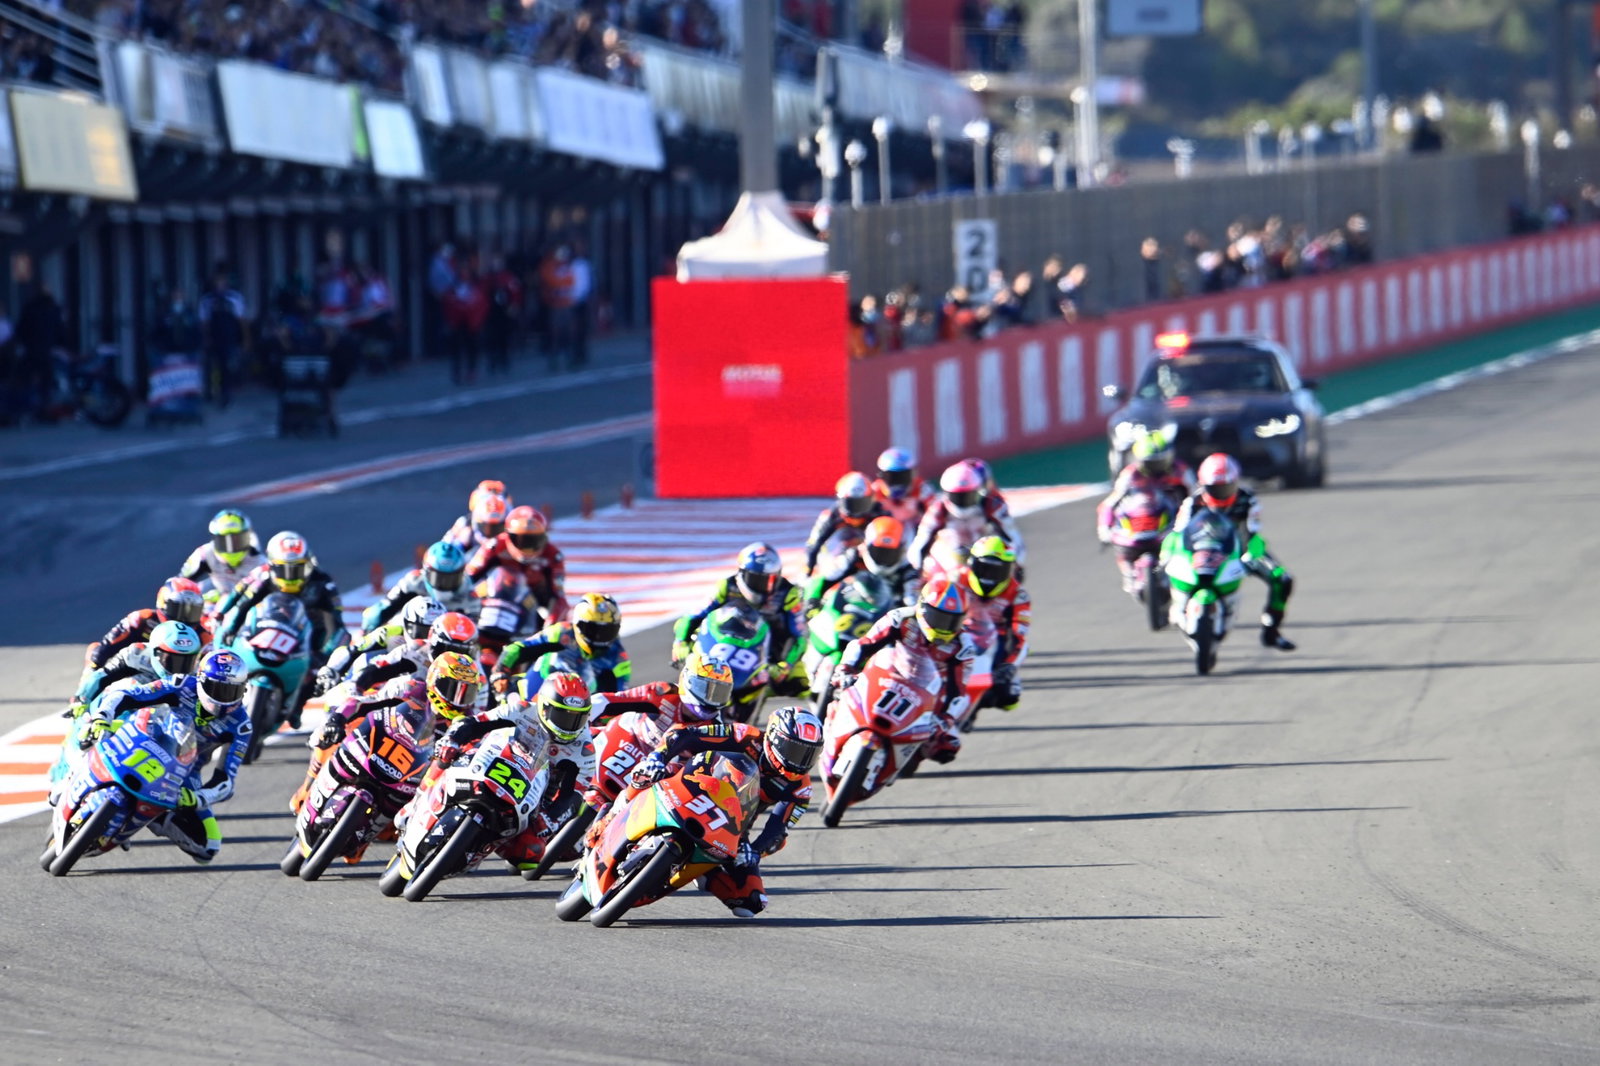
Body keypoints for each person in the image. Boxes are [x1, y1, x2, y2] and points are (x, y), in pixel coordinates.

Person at [627, 705, 824, 916]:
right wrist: (658, 757)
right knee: (647, 775)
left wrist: (755, 852)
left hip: (731, 827)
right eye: (796, 751)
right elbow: (684, 734)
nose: (800, 761)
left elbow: (778, 830)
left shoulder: (801, 788)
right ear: (776, 738)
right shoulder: (745, 736)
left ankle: (699, 872)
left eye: (808, 755)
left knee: (751, 902)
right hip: (689, 787)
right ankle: (611, 815)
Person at [77, 648, 251, 864]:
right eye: (217, 688)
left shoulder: (241, 726)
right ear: (201, 681)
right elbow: (129, 696)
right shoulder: (181, 685)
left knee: (208, 846)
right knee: (88, 732)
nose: (223, 698)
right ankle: (72, 773)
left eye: (231, 691)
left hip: (184, 772)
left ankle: (152, 815)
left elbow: (226, 780)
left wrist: (197, 799)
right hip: (146, 737)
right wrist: (103, 716)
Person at [431, 671, 596, 872]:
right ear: (544, 708)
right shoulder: (522, 709)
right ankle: (425, 795)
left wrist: (549, 822)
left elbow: (574, 799)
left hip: (534, 795)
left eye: (577, 719)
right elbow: (477, 722)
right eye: (562, 716)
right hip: (496, 762)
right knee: (451, 754)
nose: (569, 726)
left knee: (530, 852)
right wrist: (453, 740)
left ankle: (484, 845)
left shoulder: (584, 749)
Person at [833, 577, 978, 765]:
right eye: (939, 618)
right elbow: (865, 644)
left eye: (952, 622)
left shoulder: (962, 648)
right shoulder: (900, 618)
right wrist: (845, 668)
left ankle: (907, 756)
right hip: (889, 676)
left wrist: (944, 720)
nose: (944, 627)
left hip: (929, 695)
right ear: (923, 608)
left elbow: (957, 691)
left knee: (947, 747)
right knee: (840, 692)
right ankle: (831, 731)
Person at [215, 531, 348, 723]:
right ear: (272, 566)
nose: (290, 576)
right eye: (283, 570)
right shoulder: (262, 575)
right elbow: (241, 602)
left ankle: (297, 705)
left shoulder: (323, 583)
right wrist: (229, 628)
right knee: (226, 647)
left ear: (309, 564)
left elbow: (338, 623)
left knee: (318, 670)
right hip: (264, 626)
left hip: (306, 632)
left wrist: (328, 654)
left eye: (297, 569)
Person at [1174, 453, 1297, 651]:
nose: (1221, 493)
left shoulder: (1248, 500)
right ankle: (1174, 609)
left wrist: (1252, 555)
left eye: (1226, 487)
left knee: (1283, 580)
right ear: (1203, 485)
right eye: (1215, 488)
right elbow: (1178, 534)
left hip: (1241, 551)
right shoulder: (1192, 503)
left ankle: (1271, 631)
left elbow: (1254, 534)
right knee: (1164, 568)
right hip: (1202, 552)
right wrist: (1170, 556)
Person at [672, 543, 806, 695]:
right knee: (681, 630)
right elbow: (693, 616)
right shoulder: (726, 586)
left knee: (801, 684)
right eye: (758, 580)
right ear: (742, 573)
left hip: (770, 651)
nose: (766, 587)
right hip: (725, 642)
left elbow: (799, 636)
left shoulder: (789, 594)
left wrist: (785, 666)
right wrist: (680, 642)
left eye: (772, 580)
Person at [292, 675, 430, 814]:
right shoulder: (413, 688)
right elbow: (362, 701)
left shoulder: (451, 721)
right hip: (376, 736)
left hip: (410, 764)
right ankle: (307, 787)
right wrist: (337, 720)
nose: (450, 699)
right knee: (324, 735)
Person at [491, 593, 630, 696]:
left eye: (607, 630)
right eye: (593, 629)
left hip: (576, 711)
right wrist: (501, 671)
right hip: (536, 690)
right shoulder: (561, 632)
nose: (599, 637)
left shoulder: (619, 658)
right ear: (577, 624)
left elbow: (617, 698)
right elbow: (517, 649)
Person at [332, 611, 480, 698]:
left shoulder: (477, 674)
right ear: (432, 639)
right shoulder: (413, 650)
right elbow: (375, 669)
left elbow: (480, 714)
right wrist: (355, 689)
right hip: (406, 715)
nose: (452, 657)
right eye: (445, 648)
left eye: (461, 652)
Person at [909, 460, 1024, 572]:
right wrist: (917, 570)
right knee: (931, 569)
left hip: (986, 559)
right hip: (948, 560)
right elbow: (921, 541)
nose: (962, 501)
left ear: (978, 491)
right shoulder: (938, 509)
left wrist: (1016, 566)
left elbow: (1015, 539)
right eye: (957, 496)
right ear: (946, 494)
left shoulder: (993, 505)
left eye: (967, 496)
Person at [961, 536, 1030, 716]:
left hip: (994, 642)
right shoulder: (955, 580)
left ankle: (982, 696)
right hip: (957, 633)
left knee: (1009, 698)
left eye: (996, 572)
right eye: (984, 569)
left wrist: (1009, 666)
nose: (989, 577)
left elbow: (1020, 636)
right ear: (972, 564)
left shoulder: (1018, 595)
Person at [81, 578, 208, 675]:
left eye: (192, 612)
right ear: (163, 604)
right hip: (130, 673)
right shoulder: (141, 619)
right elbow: (104, 647)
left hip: (173, 683)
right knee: (94, 657)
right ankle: (84, 696)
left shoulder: (204, 635)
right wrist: (93, 669)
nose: (184, 619)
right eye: (179, 610)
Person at [317, 596, 443, 694]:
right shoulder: (389, 632)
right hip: (384, 687)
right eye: (422, 631)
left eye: (433, 632)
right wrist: (332, 670)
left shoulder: (448, 641)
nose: (427, 638)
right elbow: (354, 650)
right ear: (406, 624)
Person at [466, 505, 569, 625]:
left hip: (533, 604)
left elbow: (560, 599)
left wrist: (549, 625)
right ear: (508, 535)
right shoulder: (494, 546)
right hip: (495, 599)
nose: (528, 547)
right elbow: (469, 576)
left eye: (534, 541)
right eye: (521, 540)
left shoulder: (553, 556)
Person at [804, 515, 922, 612]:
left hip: (885, 624)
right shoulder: (853, 556)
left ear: (902, 550)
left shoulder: (908, 570)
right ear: (867, 545)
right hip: (848, 615)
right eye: (879, 551)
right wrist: (812, 600)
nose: (884, 557)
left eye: (890, 552)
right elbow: (823, 577)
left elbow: (913, 602)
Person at [1096, 430, 1196, 540]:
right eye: (1152, 463)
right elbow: (1110, 503)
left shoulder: (1181, 470)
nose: (1157, 467)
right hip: (1141, 524)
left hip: (1174, 524)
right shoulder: (1130, 474)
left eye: (1161, 461)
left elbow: (1195, 495)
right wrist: (1104, 527)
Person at [364, 541, 478, 631]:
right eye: (438, 577)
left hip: (445, 645)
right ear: (426, 571)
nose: (444, 584)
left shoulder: (469, 594)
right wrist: (369, 628)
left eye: (451, 578)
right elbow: (384, 607)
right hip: (405, 634)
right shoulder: (414, 581)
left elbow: (475, 632)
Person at [803, 471, 886, 576]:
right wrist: (808, 569)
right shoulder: (832, 515)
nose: (857, 511)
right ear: (841, 501)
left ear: (871, 500)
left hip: (869, 556)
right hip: (841, 555)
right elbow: (814, 543)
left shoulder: (880, 513)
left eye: (862, 504)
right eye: (851, 504)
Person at [181, 508, 266, 600]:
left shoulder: (260, 561)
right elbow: (180, 582)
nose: (231, 548)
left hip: (247, 603)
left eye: (237, 541)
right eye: (224, 542)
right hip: (216, 598)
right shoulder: (205, 554)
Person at [196, 264, 247, 407]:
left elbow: (242, 321)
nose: (219, 284)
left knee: (226, 366)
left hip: (228, 337)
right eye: (217, 281)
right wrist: (205, 337)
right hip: (213, 337)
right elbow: (204, 321)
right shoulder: (207, 300)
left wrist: (245, 340)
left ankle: (225, 393)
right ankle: (211, 391)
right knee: (212, 365)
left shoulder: (234, 298)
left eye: (222, 281)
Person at [870, 447, 936, 527]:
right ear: (882, 476)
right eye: (892, 477)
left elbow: (935, 516)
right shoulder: (874, 492)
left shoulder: (922, 489)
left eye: (903, 477)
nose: (897, 482)